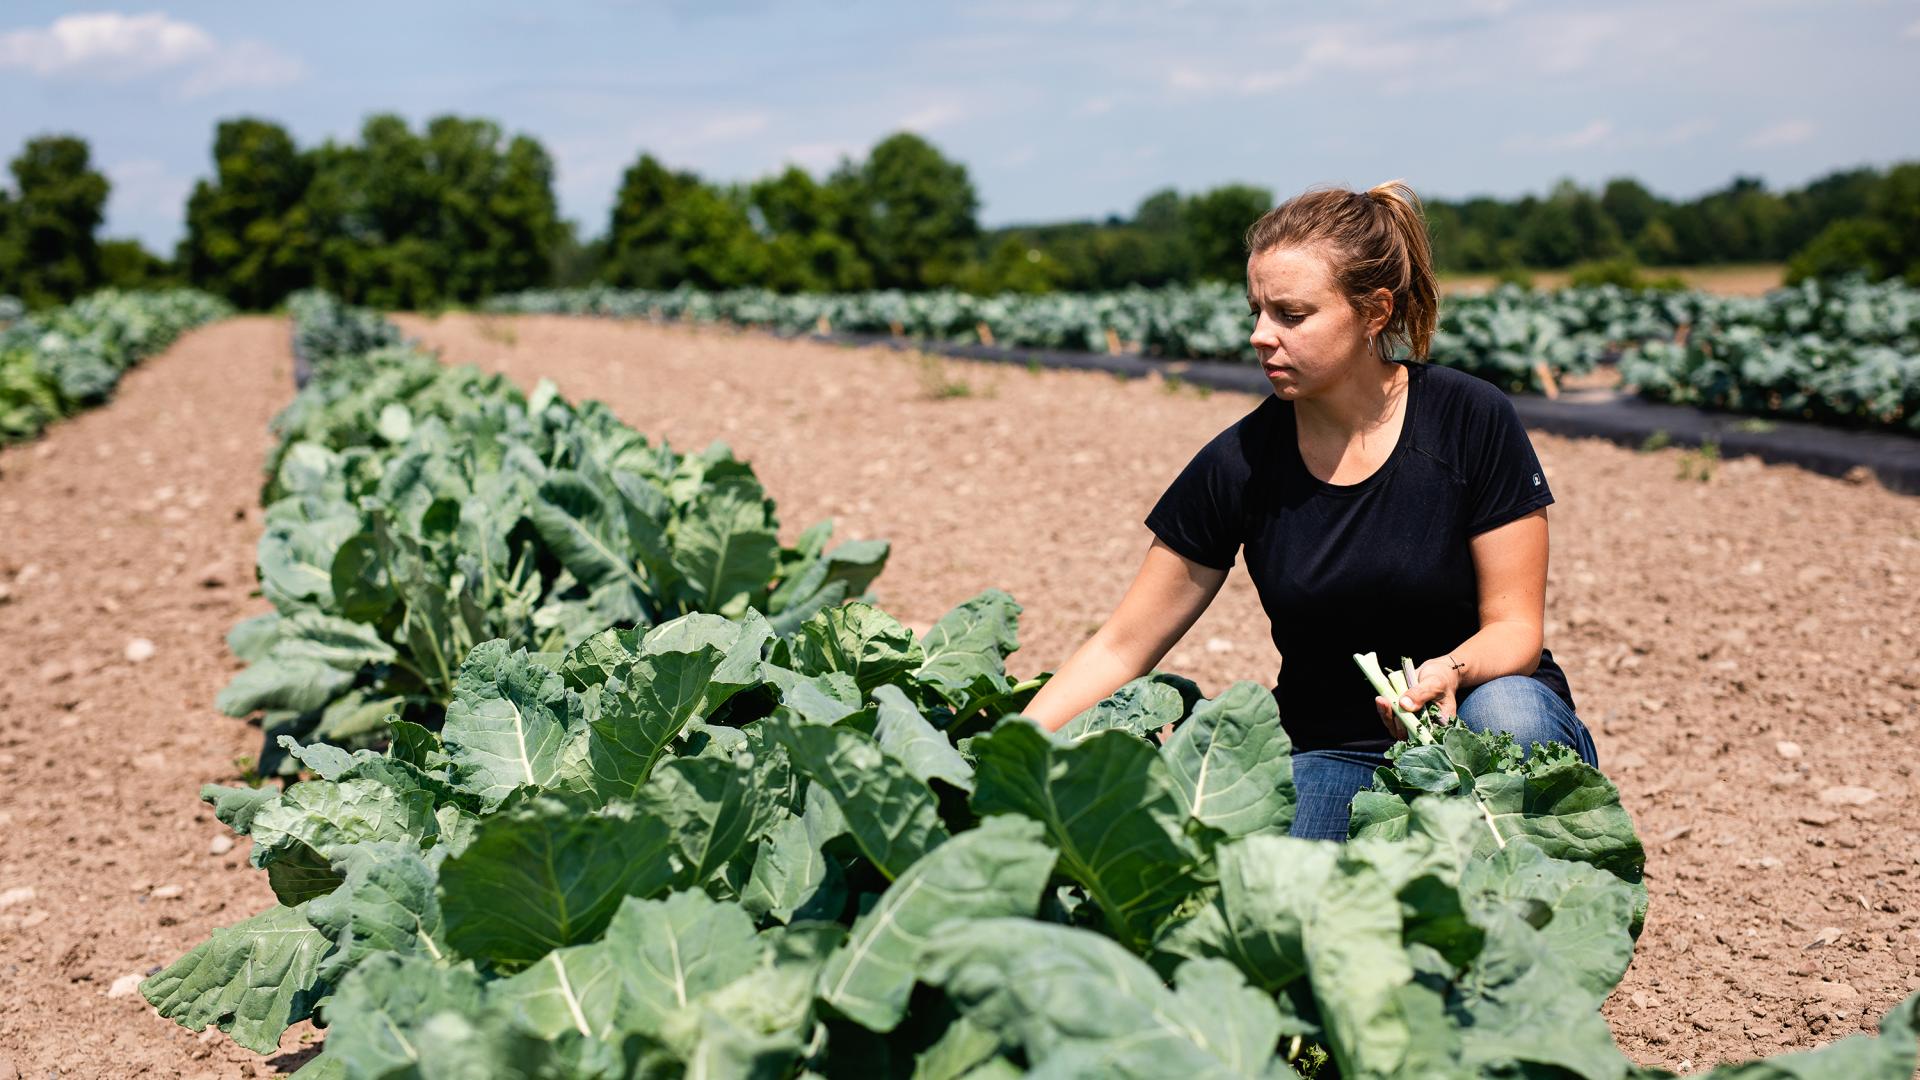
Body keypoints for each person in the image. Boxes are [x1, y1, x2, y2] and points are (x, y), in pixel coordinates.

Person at [1023, 180, 1598, 841]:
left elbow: (1515, 628)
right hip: (1333, 750)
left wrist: (1448, 672)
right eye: (1256, 311)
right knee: (1283, 893)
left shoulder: (1470, 419)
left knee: (1512, 716)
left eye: (1290, 315)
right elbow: (1122, 646)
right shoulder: (1239, 462)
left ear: (1375, 311)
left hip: (1473, 717)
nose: (1260, 336)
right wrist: (1010, 749)